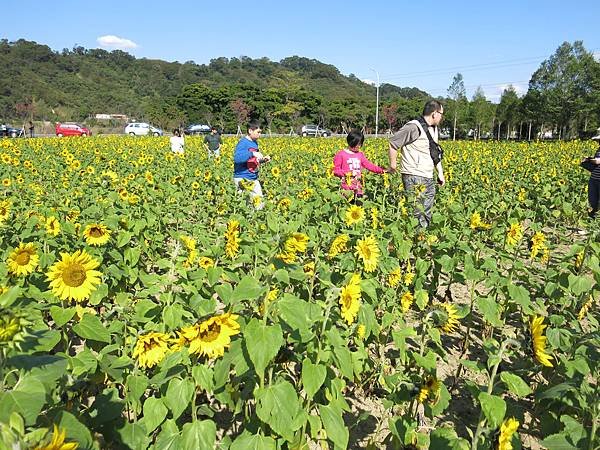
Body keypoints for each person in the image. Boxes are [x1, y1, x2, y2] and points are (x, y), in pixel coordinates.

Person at [388, 100, 446, 228]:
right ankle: (413, 238)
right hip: (413, 175)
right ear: (435, 113)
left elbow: (434, 152)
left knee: (426, 211)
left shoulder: (433, 129)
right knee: (416, 211)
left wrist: (440, 173)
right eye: (441, 114)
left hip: (428, 175)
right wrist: (393, 165)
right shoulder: (413, 127)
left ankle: (422, 237)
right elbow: (393, 143)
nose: (442, 117)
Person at [333, 129, 386, 203]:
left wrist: (382, 170)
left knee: (359, 207)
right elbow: (335, 170)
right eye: (356, 144)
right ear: (350, 142)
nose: (358, 146)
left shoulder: (360, 154)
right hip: (346, 189)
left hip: (358, 188)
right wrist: (347, 173)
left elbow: (369, 165)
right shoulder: (341, 154)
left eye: (360, 144)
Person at [233, 120, 270, 209]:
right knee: (244, 206)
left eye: (260, 132)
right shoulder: (243, 143)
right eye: (258, 132)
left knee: (258, 204)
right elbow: (237, 159)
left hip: (252, 177)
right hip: (243, 177)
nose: (260, 135)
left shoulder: (254, 143)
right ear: (250, 131)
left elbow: (253, 160)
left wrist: (263, 160)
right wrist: (252, 153)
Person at [581, 133, 600, 219]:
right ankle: (591, 221)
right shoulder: (598, 149)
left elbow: (597, 161)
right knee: (592, 201)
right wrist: (588, 158)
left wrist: (589, 159)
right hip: (594, 178)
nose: (598, 142)